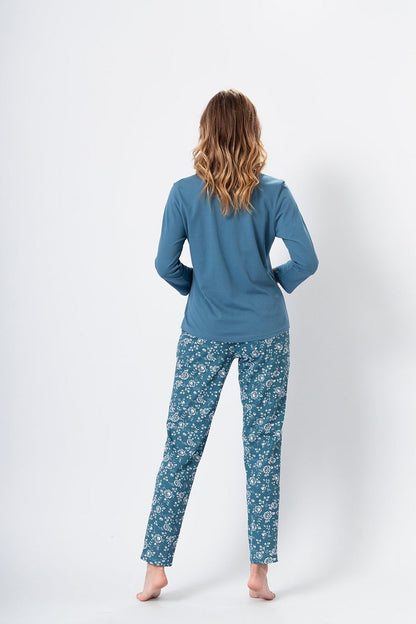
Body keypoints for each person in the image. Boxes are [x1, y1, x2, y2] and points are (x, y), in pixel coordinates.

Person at [136, 89, 319, 602]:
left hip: (203, 332)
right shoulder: (275, 192)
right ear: (252, 132)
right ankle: (259, 571)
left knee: (181, 446)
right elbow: (306, 261)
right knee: (262, 450)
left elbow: (164, 264)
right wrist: (273, 281)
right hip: (266, 332)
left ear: (206, 132)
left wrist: (198, 287)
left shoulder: (183, 193)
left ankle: (154, 568)